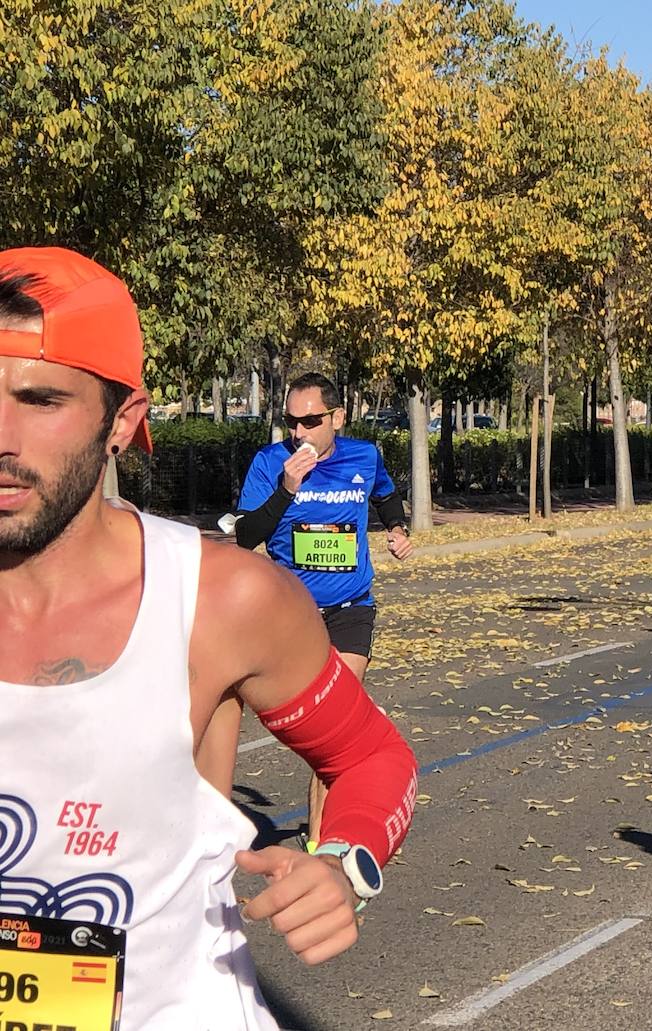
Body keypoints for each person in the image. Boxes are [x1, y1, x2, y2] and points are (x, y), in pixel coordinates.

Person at [0, 247, 418, 1028]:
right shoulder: (271, 468)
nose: (1, 432)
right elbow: (259, 518)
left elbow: (373, 757)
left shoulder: (220, 600)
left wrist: (342, 863)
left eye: (41, 398)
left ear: (121, 421)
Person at [235, 372, 415, 850]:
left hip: (351, 608)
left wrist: (396, 528)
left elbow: (384, 493)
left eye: (310, 422)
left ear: (338, 417)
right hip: (294, 615)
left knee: (335, 734)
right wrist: (287, 489)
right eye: (291, 422)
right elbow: (246, 535)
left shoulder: (364, 455)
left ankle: (321, 842)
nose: (299, 433)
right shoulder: (271, 463)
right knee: (314, 731)